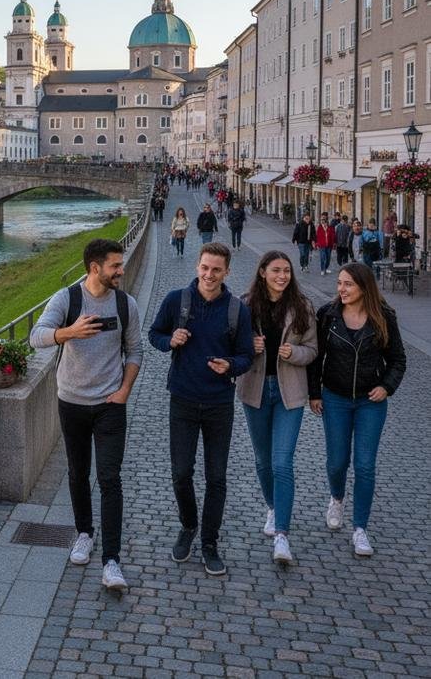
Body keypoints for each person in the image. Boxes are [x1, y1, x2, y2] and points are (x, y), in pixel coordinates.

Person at [29, 238, 143, 593]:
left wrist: (124, 391)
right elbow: (36, 336)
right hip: (72, 402)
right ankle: (83, 533)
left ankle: (112, 560)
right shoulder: (67, 299)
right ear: (95, 268)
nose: (120, 271)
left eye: (121, 265)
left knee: (110, 479)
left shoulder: (126, 305)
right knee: (78, 473)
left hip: (110, 405)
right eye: (115, 266)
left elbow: (135, 350)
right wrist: (68, 333)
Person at [148, 242, 254, 576]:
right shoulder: (176, 300)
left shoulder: (237, 310)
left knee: (217, 477)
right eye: (205, 268)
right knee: (181, 472)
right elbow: (154, 334)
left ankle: (210, 542)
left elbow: (247, 356)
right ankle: (189, 525)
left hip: (219, 403)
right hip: (182, 398)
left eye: (216, 270)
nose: (209, 275)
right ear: (197, 266)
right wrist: (170, 341)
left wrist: (231, 366)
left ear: (226, 272)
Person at [309, 263, 407, 556]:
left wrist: (387, 386)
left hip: (370, 401)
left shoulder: (383, 317)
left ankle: (360, 528)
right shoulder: (327, 315)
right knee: (337, 461)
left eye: (348, 284)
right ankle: (336, 498)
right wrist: (315, 393)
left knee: (365, 465)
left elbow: (398, 359)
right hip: (335, 398)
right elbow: (316, 358)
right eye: (340, 283)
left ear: (364, 287)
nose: (342, 289)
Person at [237, 252, 318, 565]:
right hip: (255, 389)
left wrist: (293, 352)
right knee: (263, 459)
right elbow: (230, 343)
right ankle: (272, 506)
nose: (282, 276)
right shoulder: (244, 305)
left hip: (289, 393)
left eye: (286, 271)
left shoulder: (303, 306)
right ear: (262, 272)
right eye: (276, 270)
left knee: (282, 462)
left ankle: (282, 535)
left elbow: (312, 349)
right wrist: (248, 344)